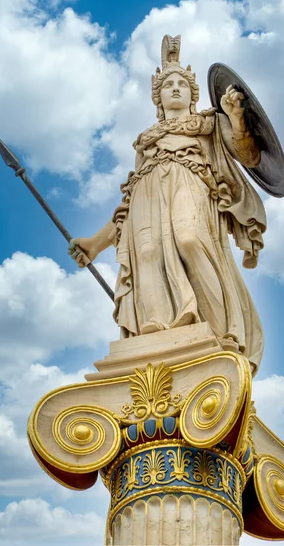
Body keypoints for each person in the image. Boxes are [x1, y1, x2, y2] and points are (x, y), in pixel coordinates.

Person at [69, 35, 266, 376]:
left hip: (190, 184)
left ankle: (220, 332)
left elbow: (249, 155)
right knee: (145, 254)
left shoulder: (208, 125)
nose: (175, 88)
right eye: (168, 85)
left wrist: (236, 118)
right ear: (157, 98)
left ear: (193, 94)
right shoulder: (146, 141)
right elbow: (126, 205)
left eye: (182, 84)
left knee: (189, 239)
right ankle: (157, 331)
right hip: (148, 196)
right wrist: (95, 244)